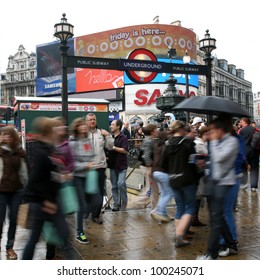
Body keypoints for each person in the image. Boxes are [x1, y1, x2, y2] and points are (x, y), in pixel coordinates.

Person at [22, 117, 73, 260]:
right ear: (49, 132)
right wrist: (47, 201)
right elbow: (35, 181)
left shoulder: (51, 149)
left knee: (39, 238)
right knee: (40, 238)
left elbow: (52, 175)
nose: (59, 129)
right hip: (44, 204)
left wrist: (62, 176)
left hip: (50, 202)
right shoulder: (43, 153)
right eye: (55, 128)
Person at [197, 117, 239, 260]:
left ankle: (211, 254)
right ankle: (231, 243)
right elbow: (214, 161)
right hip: (214, 181)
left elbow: (220, 158)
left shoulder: (231, 141)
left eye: (214, 130)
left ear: (220, 130)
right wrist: (205, 162)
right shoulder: (218, 141)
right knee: (217, 217)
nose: (211, 133)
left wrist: (213, 141)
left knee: (215, 219)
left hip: (224, 183)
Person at [161, 120, 198, 248]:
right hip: (188, 178)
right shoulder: (188, 143)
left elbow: (163, 164)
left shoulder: (167, 144)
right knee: (191, 206)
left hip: (173, 179)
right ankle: (179, 234)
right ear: (181, 129)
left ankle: (181, 235)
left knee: (180, 207)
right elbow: (194, 161)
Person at [0, 126, 28, 260]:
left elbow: (24, 173)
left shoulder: (19, 151)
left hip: (16, 191)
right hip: (1, 191)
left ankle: (9, 247)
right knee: (0, 220)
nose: (6, 138)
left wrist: (25, 188)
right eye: (4, 135)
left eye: (9, 135)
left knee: (13, 220)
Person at [69, 118, 96, 244]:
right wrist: (86, 165)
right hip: (77, 177)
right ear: (76, 127)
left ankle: (80, 220)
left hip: (89, 176)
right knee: (81, 205)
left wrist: (92, 163)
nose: (84, 127)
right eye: (81, 125)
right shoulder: (72, 142)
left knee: (93, 202)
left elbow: (92, 156)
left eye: (84, 125)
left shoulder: (87, 141)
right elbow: (71, 164)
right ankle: (79, 232)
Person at [85, 113, 114, 223]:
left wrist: (108, 135)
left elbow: (110, 147)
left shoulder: (101, 133)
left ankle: (96, 215)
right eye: (90, 119)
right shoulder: (83, 134)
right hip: (87, 169)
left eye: (94, 119)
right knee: (87, 192)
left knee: (99, 193)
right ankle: (87, 211)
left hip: (100, 168)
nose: (92, 121)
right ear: (86, 122)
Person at [150, 130, 174, 222]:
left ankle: (163, 214)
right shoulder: (165, 146)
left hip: (155, 172)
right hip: (162, 172)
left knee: (164, 193)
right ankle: (158, 211)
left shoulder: (156, 145)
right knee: (169, 193)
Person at [109, 119, 129, 211]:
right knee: (114, 186)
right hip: (112, 165)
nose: (111, 126)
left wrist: (113, 147)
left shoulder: (123, 137)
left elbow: (125, 150)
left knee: (120, 184)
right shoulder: (110, 137)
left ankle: (124, 204)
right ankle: (116, 204)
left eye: (112, 124)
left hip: (121, 165)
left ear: (118, 126)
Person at [192, 126, 210, 227]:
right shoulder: (199, 145)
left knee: (199, 195)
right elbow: (198, 161)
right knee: (198, 195)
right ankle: (194, 218)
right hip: (200, 173)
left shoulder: (203, 143)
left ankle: (195, 218)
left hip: (202, 173)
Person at [140, 124, 160, 211]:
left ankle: (154, 208)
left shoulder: (148, 140)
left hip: (147, 167)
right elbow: (146, 156)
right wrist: (150, 167)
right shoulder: (149, 141)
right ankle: (138, 203)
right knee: (152, 189)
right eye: (156, 129)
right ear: (152, 131)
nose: (157, 131)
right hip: (148, 168)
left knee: (152, 189)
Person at [238, 117, 258, 191]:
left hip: (244, 151)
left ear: (244, 122)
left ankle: (244, 183)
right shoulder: (254, 129)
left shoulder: (241, 130)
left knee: (243, 167)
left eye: (241, 122)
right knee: (254, 168)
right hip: (254, 150)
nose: (240, 123)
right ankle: (253, 186)